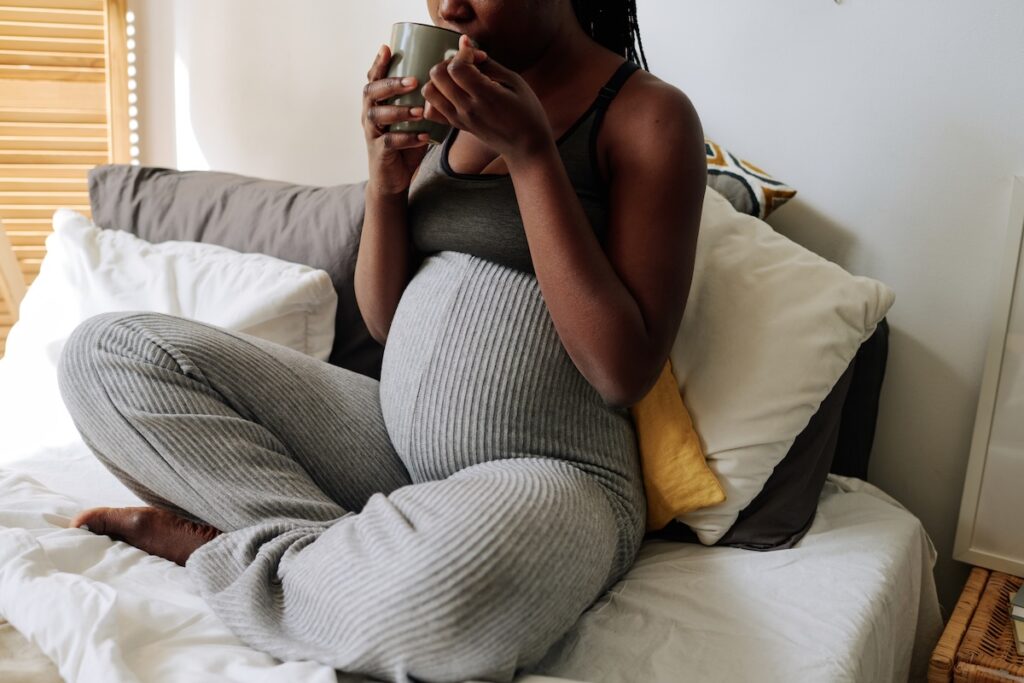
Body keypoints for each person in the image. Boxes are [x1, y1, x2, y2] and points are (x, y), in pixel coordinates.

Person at [56, 0, 706, 681]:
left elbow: (620, 372)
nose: (449, 7)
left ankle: (240, 558)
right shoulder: (452, 105)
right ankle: (327, 561)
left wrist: (531, 154)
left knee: (441, 603)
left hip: (553, 477)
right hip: (388, 451)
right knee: (105, 354)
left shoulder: (648, 115)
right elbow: (384, 321)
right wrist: (385, 185)